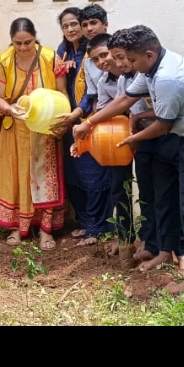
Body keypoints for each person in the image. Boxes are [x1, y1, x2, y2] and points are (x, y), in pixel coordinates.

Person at [108, 28, 184, 294]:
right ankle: (165, 251)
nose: (127, 64)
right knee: (162, 198)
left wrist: (132, 138)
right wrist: (90, 123)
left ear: (149, 55)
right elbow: (126, 98)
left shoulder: (167, 77)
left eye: (130, 59)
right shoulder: (150, 69)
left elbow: (163, 125)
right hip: (173, 139)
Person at [0, 19, 66, 249]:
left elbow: (62, 92)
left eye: (28, 42)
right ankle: (16, 226)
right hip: (16, 128)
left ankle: (45, 229)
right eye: (18, 43)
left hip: (45, 128)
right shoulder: (3, 61)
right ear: (11, 41)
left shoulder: (51, 58)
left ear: (35, 37)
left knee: (45, 177)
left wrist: (60, 120)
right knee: (16, 175)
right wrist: (9, 109)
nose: (23, 47)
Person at [69, 35, 127, 246]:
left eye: (104, 55)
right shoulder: (103, 82)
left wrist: (88, 122)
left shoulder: (133, 74)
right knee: (120, 187)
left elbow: (124, 103)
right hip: (122, 140)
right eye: (95, 59)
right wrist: (82, 141)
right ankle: (125, 238)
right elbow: (102, 115)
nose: (101, 62)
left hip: (150, 135)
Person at [55, 7, 89, 228]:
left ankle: (94, 224)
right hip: (69, 117)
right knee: (72, 170)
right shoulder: (63, 49)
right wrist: (63, 69)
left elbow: (93, 90)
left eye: (74, 24)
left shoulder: (91, 51)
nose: (70, 29)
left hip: (87, 117)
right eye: (65, 26)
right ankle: (82, 221)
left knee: (90, 170)